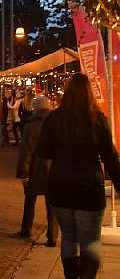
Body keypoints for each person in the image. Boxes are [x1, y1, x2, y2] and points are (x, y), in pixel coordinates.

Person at [36, 73, 120, 279]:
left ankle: (71, 276)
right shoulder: (97, 120)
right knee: (90, 240)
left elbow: (43, 153)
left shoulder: (53, 119)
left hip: (60, 187)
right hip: (89, 188)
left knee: (69, 238)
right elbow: (110, 158)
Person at [15, 95, 57, 246]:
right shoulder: (57, 122)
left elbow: (26, 150)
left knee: (30, 199)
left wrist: (23, 172)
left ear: (35, 108)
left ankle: (26, 229)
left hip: (34, 168)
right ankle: (52, 236)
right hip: (53, 168)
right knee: (51, 203)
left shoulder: (31, 125)